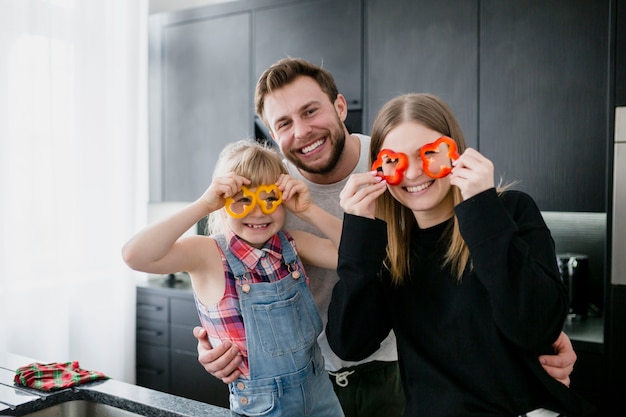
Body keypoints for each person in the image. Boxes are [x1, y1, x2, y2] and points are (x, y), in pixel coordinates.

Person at [193, 58, 578, 417]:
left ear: (339, 107)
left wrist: (538, 340)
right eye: (284, 123)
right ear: (273, 135)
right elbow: (225, 263)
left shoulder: (408, 174)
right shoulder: (267, 195)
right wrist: (214, 339)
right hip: (306, 376)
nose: (410, 174)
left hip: (396, 375)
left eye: (311, 111)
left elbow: (522, 316)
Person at [326, 93, 596, 416]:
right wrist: (357, 233)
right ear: (380, 170)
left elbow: (536, 326)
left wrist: (481, 207)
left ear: (455, 152)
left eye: (428, 154)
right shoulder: (388, 249)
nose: (412, 174)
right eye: (395, 160)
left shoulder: (509, 210)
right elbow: (350, 344)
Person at [123, 139, 345, 416]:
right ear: (222, 203)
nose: (258, 211)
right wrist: (203, 205)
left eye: (269, 199)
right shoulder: (207, 254)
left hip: (320, 392)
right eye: (243, 200)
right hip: (263, 406)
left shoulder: (292, 244)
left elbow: (353, 253)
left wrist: (307, 209)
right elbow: (135, 255)